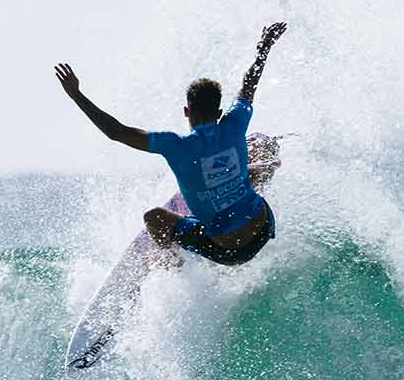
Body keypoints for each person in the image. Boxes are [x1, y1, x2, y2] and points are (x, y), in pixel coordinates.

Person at [54, 22, 288, 266]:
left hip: (228, 251)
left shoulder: (175, 145)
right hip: (264, 227)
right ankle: (264, 170)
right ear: (219, 112)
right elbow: (249, 84)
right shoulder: (235, 123)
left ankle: (172, 263)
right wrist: (264, 48)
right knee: (251, 160)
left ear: (187, 111)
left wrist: (76, 95)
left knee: (154, 217)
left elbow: (115, 131)